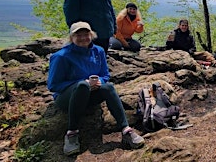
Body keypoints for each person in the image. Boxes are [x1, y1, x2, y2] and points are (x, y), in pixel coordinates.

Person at [47, 21, 144, 156]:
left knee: (109, 87)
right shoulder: (61, 56)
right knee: (82, 86)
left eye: (86, 34)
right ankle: (72, 133)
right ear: (71, 38)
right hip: (67, 99)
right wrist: (83, 83)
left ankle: (126, 129)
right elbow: (53, 86)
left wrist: (100, 81)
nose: (83, 38)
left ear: (91, 35)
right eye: (78, 35)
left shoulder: (98, 51)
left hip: (90, 94)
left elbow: (105, 75)